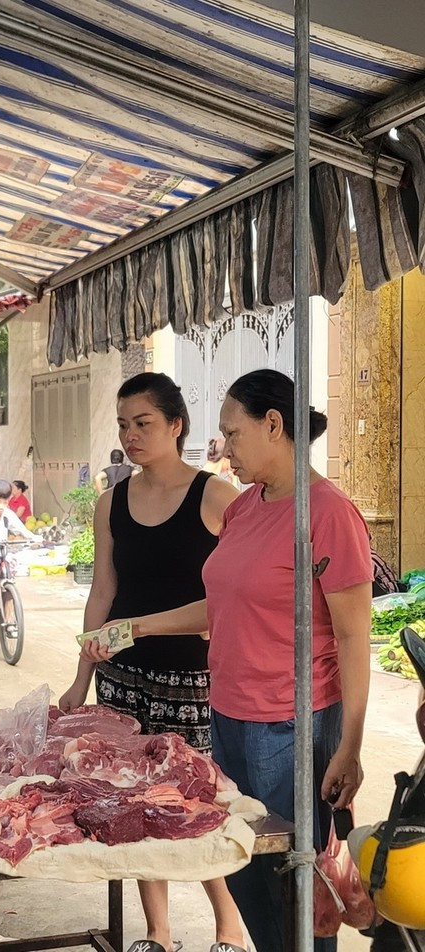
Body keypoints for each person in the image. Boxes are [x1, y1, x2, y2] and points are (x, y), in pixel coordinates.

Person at [83, 369, 372, 952]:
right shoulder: (247, 508)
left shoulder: (327, 512)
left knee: (294, 878)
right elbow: (219, 604)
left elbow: (353, 635)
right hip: (229, 715)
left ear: (273, 425)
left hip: (290, 724)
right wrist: (134, 628)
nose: (225, 449)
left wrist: (350, 744)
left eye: (233, 434)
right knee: (245, 862)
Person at [59, 372, 242, 952]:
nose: (130, 435)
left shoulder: (217, 496)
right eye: (122, 424)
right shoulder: (111, 501)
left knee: (193, 805)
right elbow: (103, 591)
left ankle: (229, 925)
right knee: (135, 803)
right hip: (122, 677)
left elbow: (236, 595)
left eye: (143, 423)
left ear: (175, 425)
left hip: (192, 677)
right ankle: (158, 934)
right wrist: (81, 677)